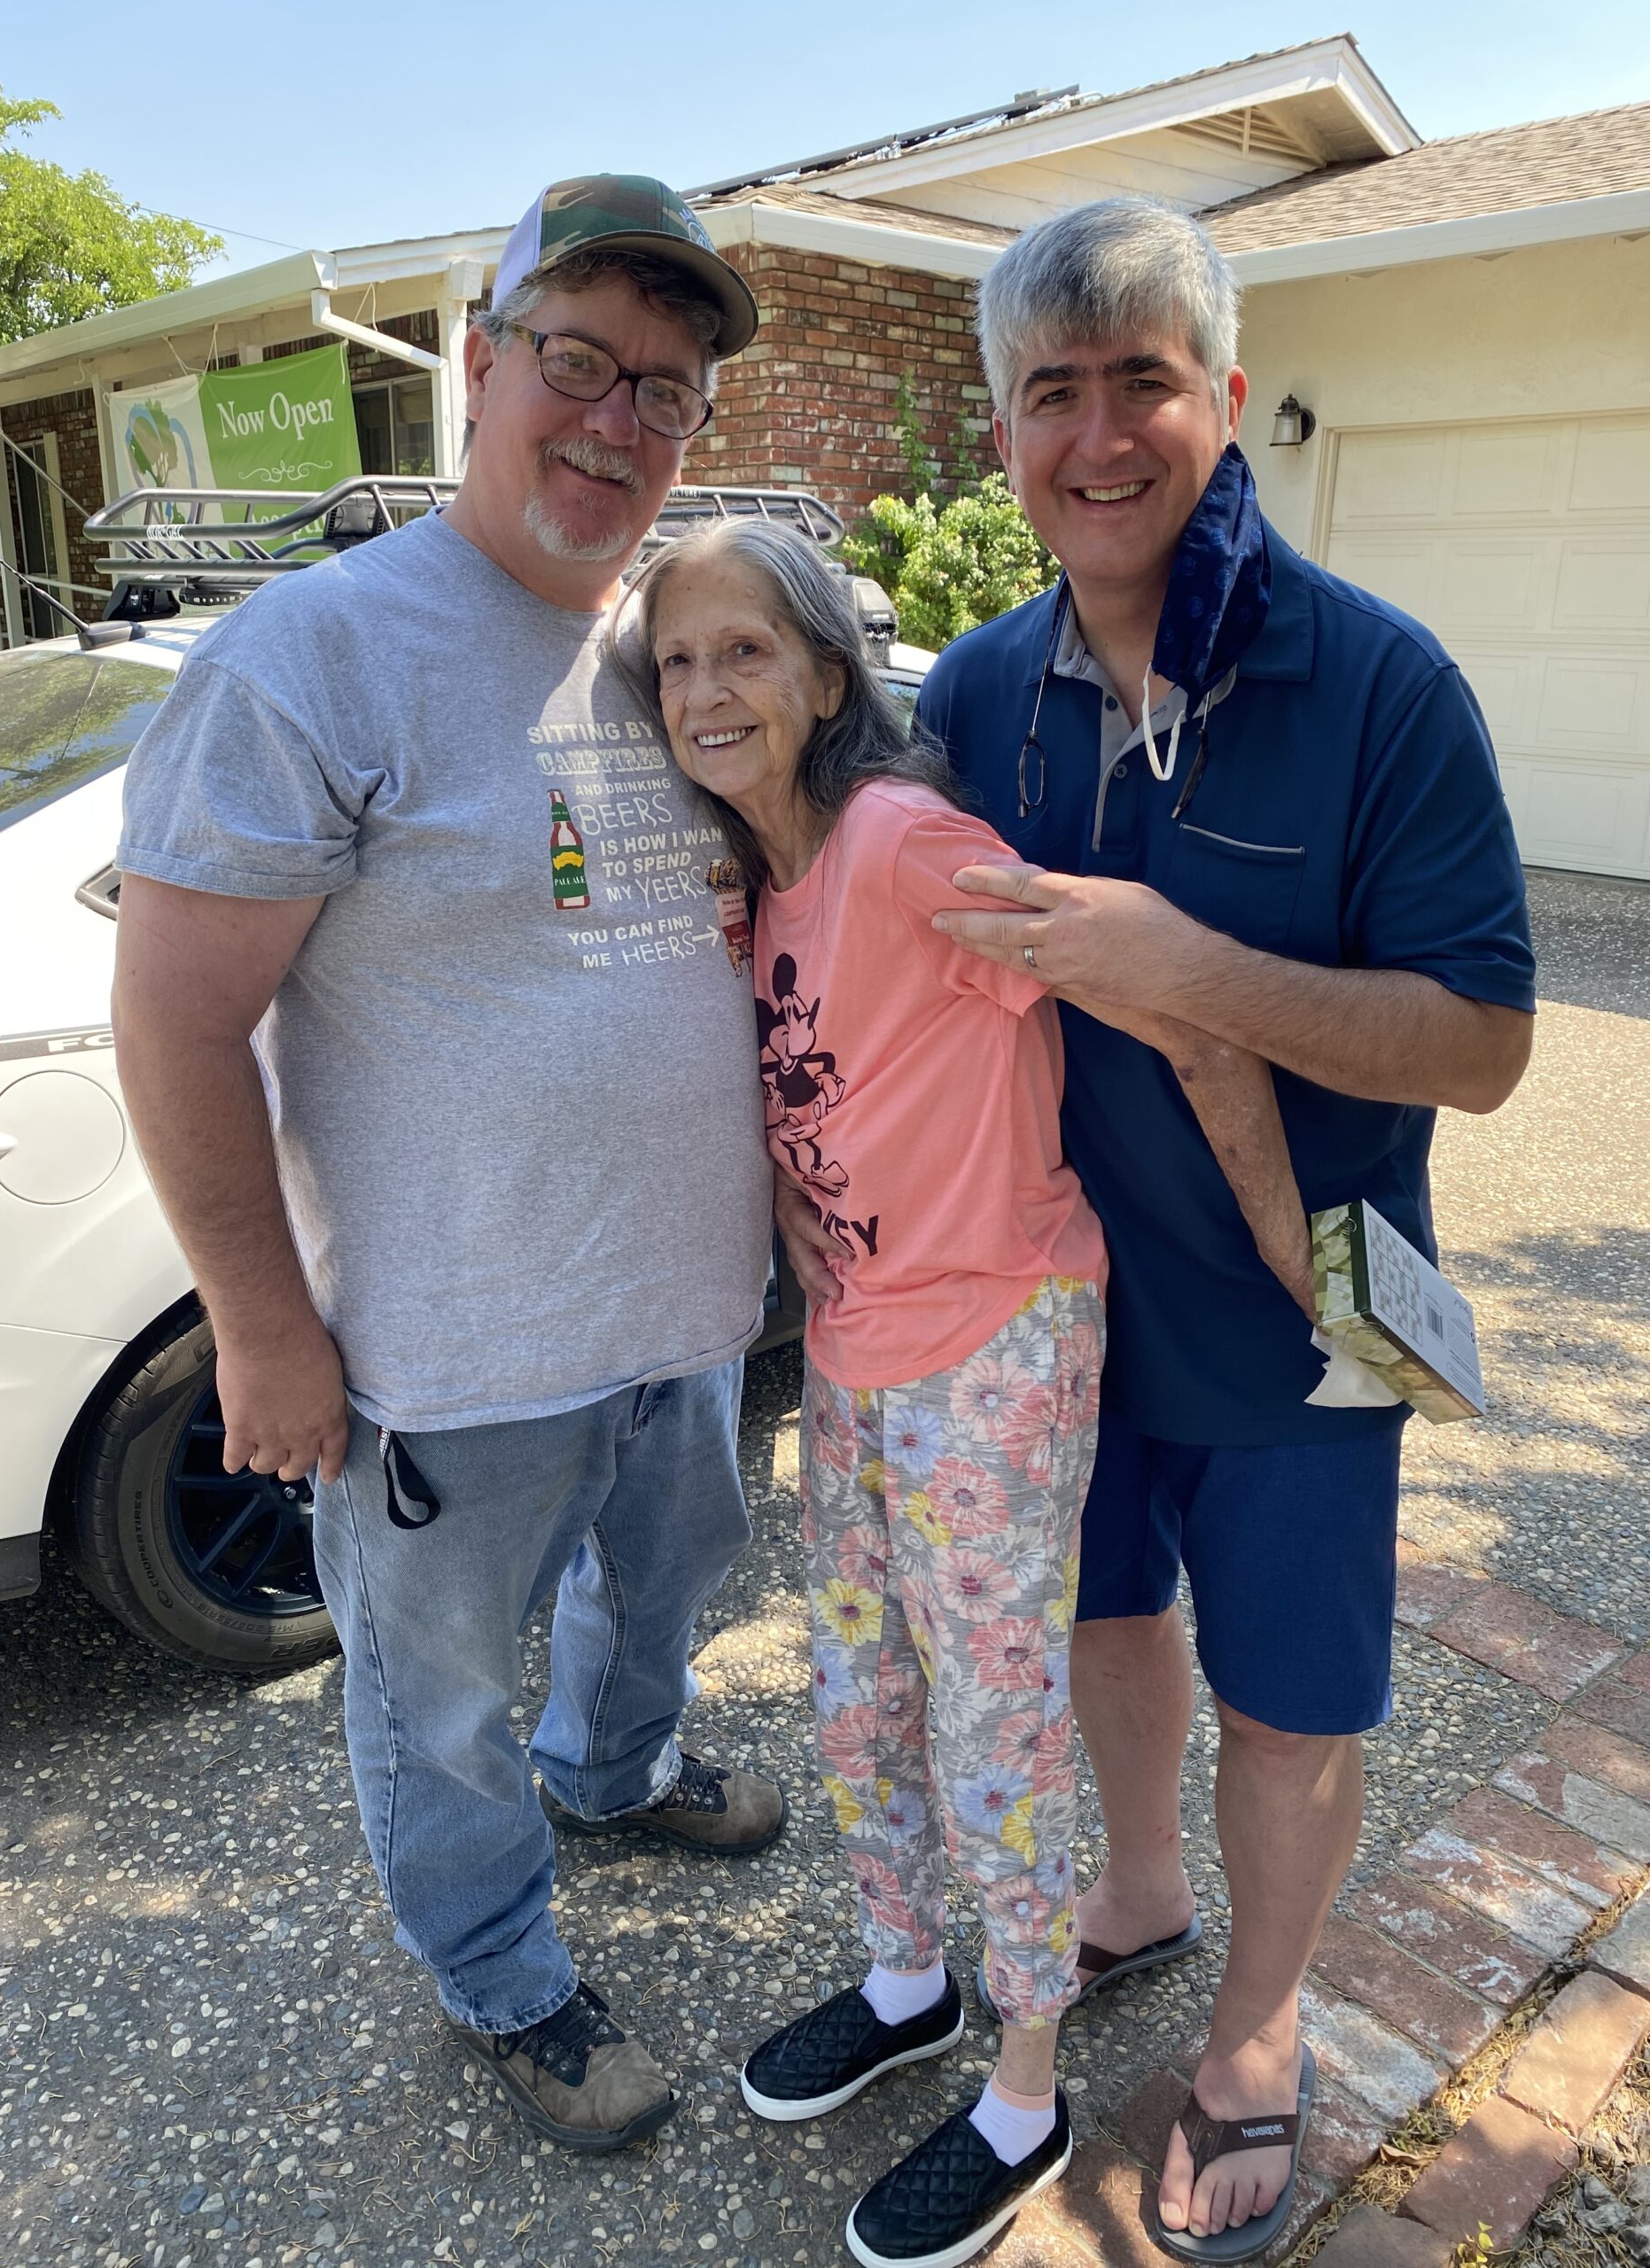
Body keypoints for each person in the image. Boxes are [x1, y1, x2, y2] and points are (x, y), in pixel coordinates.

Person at [111, 175, 790, 2155]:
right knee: (435, 1705)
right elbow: (175, 1022)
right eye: (574, 361)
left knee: (660, 1589)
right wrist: (259, 1324)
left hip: (682, 1314)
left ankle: (621, 1761)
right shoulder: (314, 655)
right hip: (450, 1354)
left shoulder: (681, 643)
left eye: (664, 390)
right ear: (477, 365)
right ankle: (501, 1964)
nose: (615, 420)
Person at [917, 197, 1536, 2261]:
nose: (1100, 435)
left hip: (1297, 1306)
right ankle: (1138, 1888)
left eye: (1143, 382)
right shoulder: (977, 698)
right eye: (1050, 392)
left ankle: (1259, 2026)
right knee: (1107, 1624)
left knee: (1294, 1696)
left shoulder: (1378, 683)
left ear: (1228, 397)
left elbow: (1484, 1040)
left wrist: (1195, 962)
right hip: (1054, 1316)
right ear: (998, 432)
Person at [620, 517, 1313, 2268]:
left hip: (994, 1338)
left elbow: (1150, 982)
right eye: (677, 660)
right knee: (858, 1683)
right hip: (858, 1350)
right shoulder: (763, 884)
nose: (707, 688)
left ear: (826, 676)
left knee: (993, 1716)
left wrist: (1292, 1246)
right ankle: (906, 1976)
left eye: (744, 651)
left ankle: (1023, 2079)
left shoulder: (898, 838)